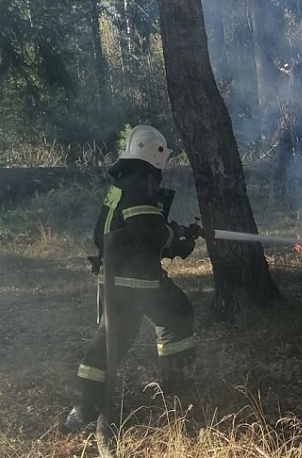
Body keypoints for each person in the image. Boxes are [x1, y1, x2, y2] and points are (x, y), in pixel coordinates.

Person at [62, 125, 198, 433]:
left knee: (114, 338)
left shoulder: (124, 183)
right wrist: (175, 240)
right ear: (155, 153)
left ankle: (83, 407)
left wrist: (170, 237)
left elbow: (129, 230)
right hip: (136, 279)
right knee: (177, 314)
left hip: (117, 275)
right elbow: (146, 231)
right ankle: (176, 385)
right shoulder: (142, 183)